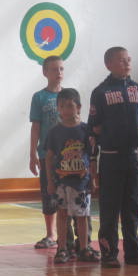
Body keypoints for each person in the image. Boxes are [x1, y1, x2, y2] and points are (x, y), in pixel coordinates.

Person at [88, 46, 138, 268]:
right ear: (109, 64)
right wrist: (93, 162)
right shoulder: (100, 92)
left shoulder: (137, 89)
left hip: (132, 157)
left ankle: (133, 251)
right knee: (110, 208)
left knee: (132, 206)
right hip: (111, 158)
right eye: (121, 60)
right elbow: (93, 129)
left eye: (128, 59)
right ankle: (109, 253)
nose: (127, 62)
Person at [45, 88, 100, 264]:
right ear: (58, 108)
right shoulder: (55, 132)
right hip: (61, 182)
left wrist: (93, 179)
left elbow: (92, 157)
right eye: (62, 106)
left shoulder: (86, 130)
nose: (66, 110)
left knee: (82, 216)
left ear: (79, 107)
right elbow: (49, 157)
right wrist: (50, 181)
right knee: (62, 214)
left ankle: (84, 248)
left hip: (81, 182)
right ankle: (62, 248)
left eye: (70, 105)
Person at [30, 56, 64, 249]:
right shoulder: (39, 97)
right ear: (45, 72)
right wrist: (32, 154)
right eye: (54, 69)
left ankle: (67, 235)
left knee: (67, 193)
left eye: (61, 69)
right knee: (49, 192)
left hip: (67, 155)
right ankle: (51, 234)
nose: (58, 72)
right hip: (47, 155)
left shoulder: (68, 96)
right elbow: (36, 127)